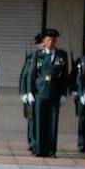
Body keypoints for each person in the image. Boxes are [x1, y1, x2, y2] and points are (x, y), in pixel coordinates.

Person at [27, 28, 70, 158]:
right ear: (44, 41)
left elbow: (64, 76)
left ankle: (51, 150)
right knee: (40, 122)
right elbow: (31, 74)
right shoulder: (38, 55)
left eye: (53, 40)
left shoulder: (62, 55)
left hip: (54, 92)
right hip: (40, 92)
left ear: (55, 41)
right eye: (48, 40)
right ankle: (40, 149)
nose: (50, 42)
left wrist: (63, 93)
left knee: (52, 123)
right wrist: (29, 91)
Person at [19, 33, 44, 155]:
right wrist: (24, 92)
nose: (43, 46)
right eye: (41, 44)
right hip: (31, 94)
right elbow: (25, 76)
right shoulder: (32, 58)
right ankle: (33, 142)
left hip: (41, 94)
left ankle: (38, 143)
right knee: (32, 120)